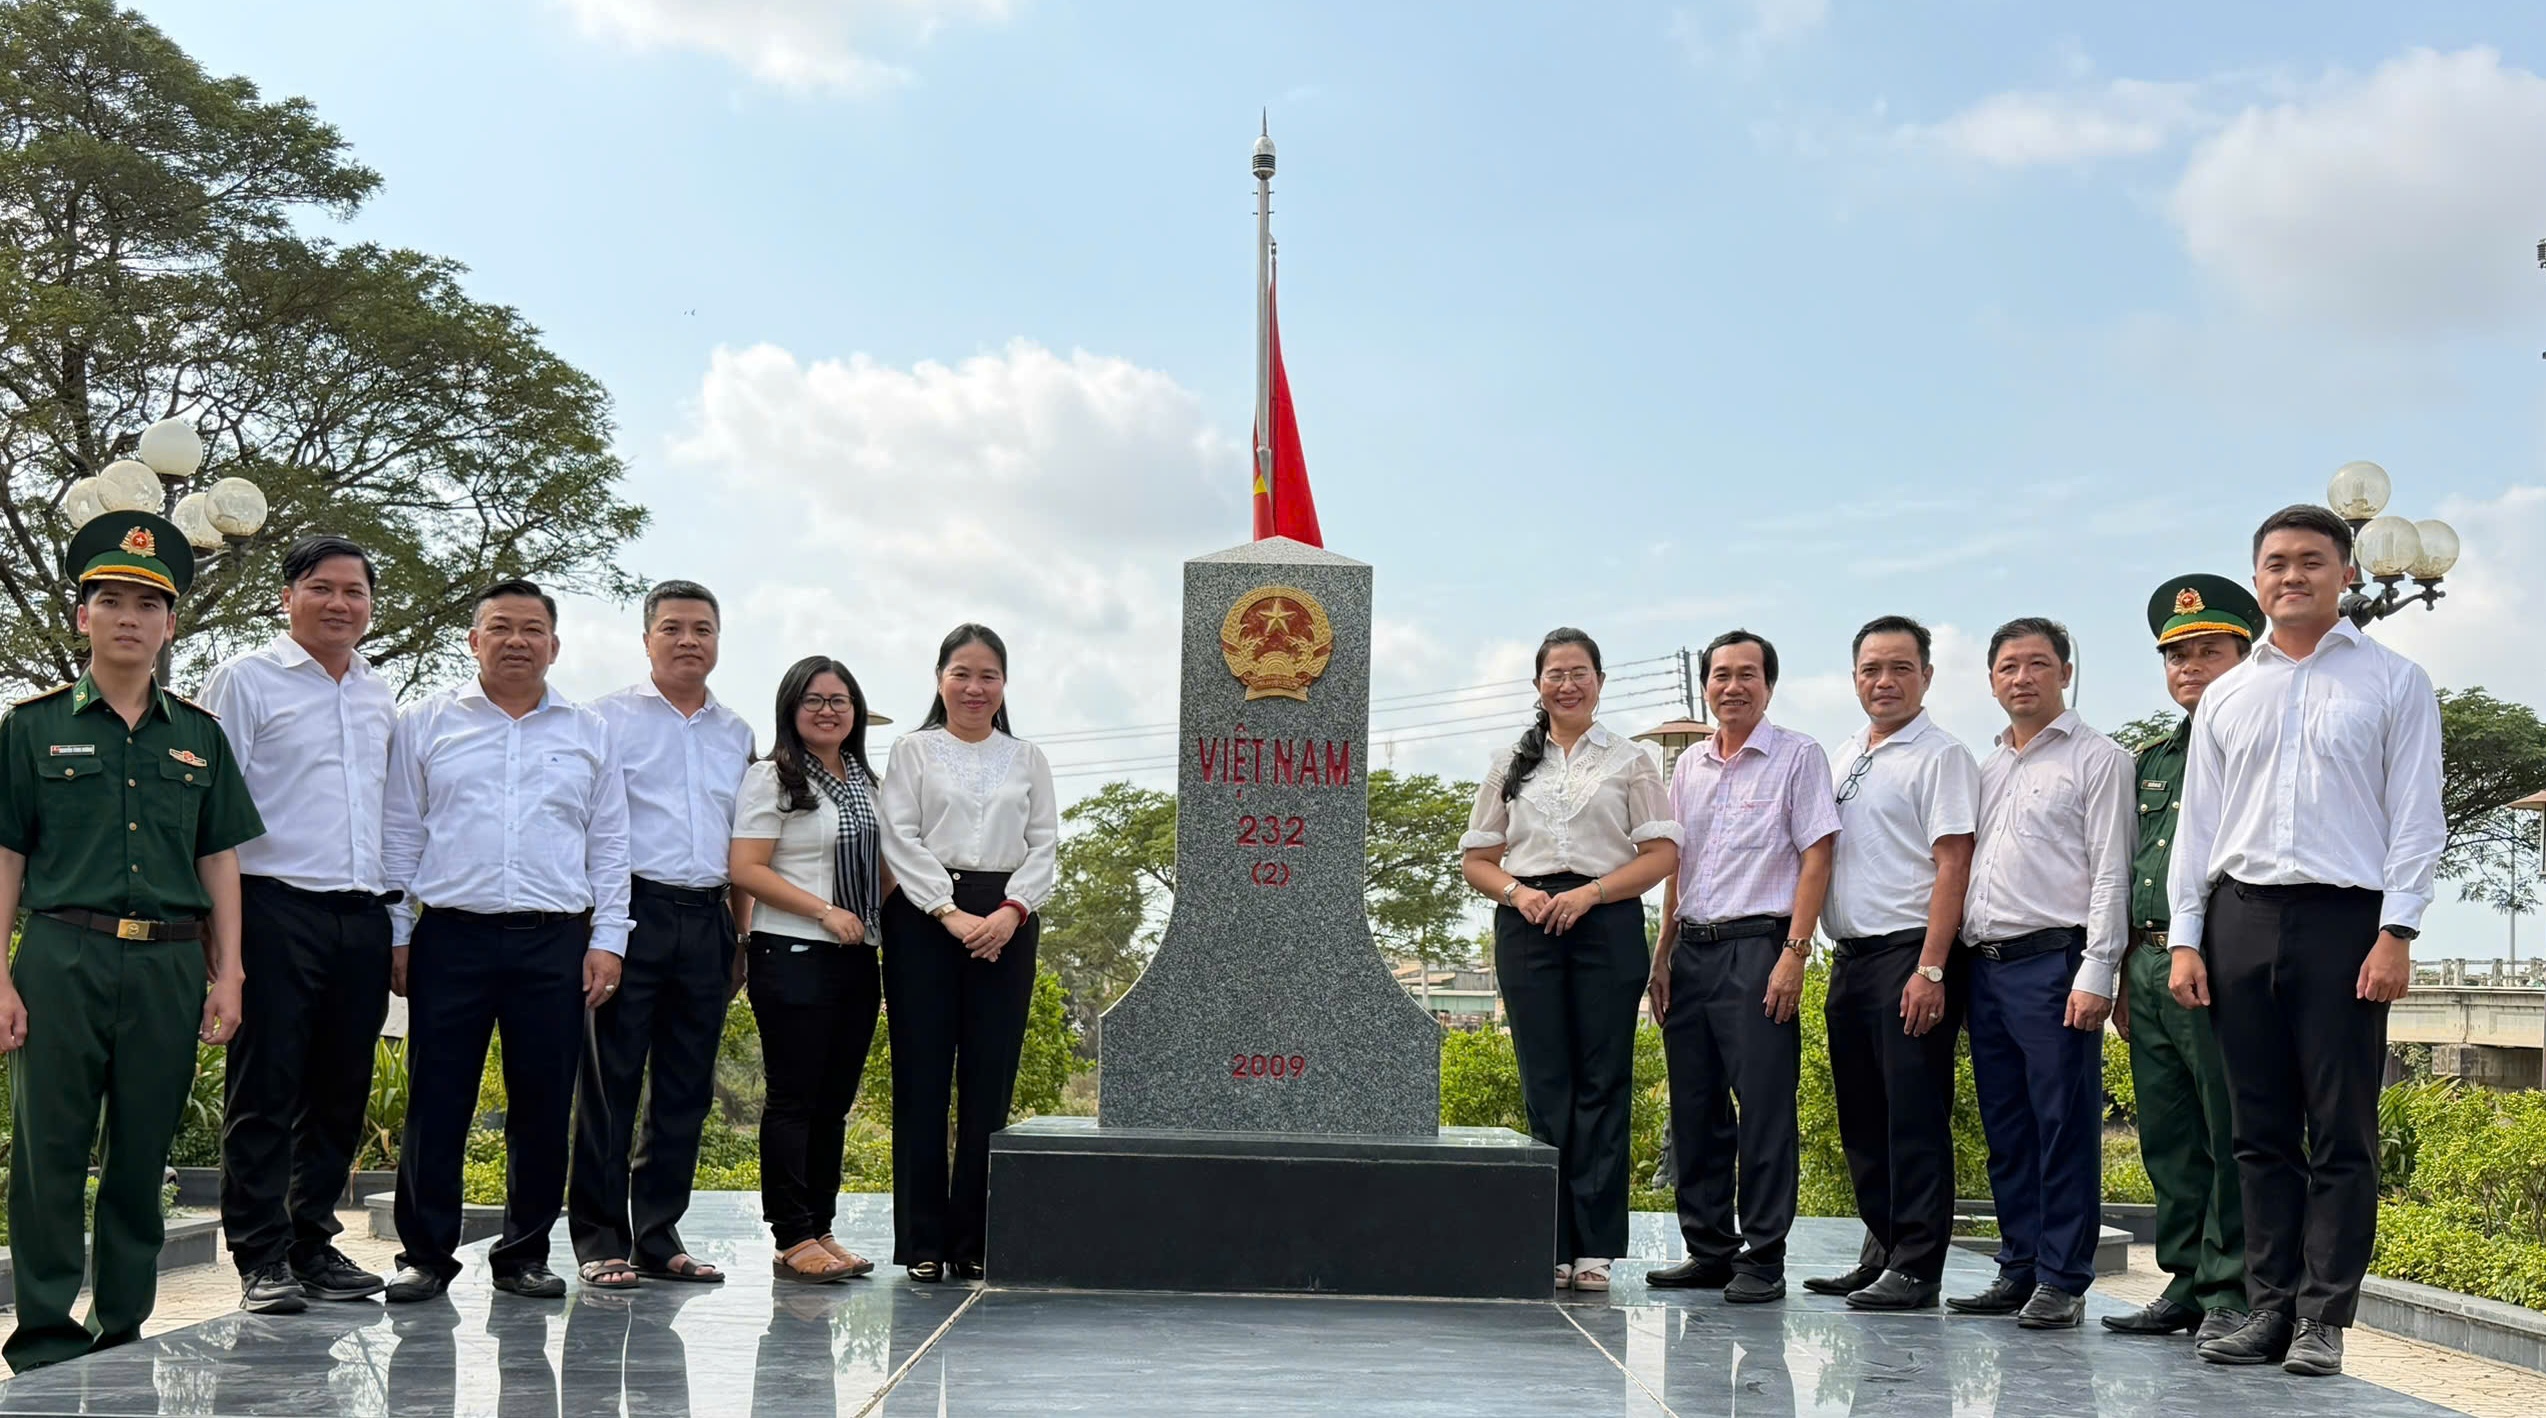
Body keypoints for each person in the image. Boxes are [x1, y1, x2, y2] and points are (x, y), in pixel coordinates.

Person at [2171, 506, 2444, 1377]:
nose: (2293, 576)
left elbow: (2415, 816)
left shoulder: (2395, 681)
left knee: (2339, 1130)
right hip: (2239, 920)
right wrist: (2186, 938)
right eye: (2276, 564)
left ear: (2348, 574)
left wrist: (2397, 929)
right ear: (2257, 581)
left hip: (2346, 922)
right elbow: (2198, 827)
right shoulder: (2227, 692)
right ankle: (2268, 1308)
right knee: (2256, 1132)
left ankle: (2324, 1318)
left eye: (2312, 562)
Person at [0, 510, 263, 1373]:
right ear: (83, 617)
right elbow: (6, 856)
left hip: (168, 962)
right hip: (60, 956)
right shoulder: (28, 728)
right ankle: (43, 1333)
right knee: (49, 1149)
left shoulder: (198, 735)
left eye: (148, 606)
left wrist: (228, 974)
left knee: (142, 1148)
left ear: (170, 624)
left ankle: (120, 1328)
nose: (128, 618)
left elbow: (218, 858)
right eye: (109, 600)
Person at [380, 579, 632, 1303]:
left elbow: (610, 844)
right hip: (450, 936)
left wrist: (608, 939)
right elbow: (400, 834)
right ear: (473, 640)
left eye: (532, 629)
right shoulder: (425, 724)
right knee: (437, 1101)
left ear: (555, 645)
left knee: (544, 1103)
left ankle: (523, 1253)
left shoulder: (588, 732)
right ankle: (424, 1255)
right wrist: (399, 932)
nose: (516, 640)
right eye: (500, 627)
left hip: (554, 941)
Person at [199, 535, 398, 1314]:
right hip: (273, 904)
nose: (340, 603)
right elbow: (211, 815)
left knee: (341, 1088)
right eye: (322, 587)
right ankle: (260, 1256)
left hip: (362, 914)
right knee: (267, 1085)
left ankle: (312, 1240)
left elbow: (394, 815)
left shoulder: (379, 694)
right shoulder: (247, 681)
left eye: (355, 590)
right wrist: (225, 946)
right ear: (289, 597)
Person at [1459, 628, 1681, 1293]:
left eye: (1580, 672)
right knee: (1546, 1082)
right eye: (1555, 673)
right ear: (1538, 686)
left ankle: (1596, 1247)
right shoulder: (1509, 762)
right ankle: (1549, 1239)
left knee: (1602, 1081)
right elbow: (1477, 859)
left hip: (1605, 919)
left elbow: (1663, 855)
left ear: (1600, 682)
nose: (1568, 683)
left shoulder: (1631, 760)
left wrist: (1589, 895)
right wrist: (1520, 894)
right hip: (1527, 926)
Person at [569, 580, 756, 1290]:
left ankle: (658, 1234)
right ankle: (599, 1238)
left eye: (702, 629)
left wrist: (738, 937)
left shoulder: (735, 733)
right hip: (629, 915)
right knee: (610, 1085)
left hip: (706, 919)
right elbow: (594, 829)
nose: (688, 641)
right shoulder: (605, 720)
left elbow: (743, 841)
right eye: (673, 627)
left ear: (717, 640)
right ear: (647, 638)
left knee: (686, 1089)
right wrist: (602, 931)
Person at [1645, 630, 1838, 1304]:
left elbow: (1817, 855)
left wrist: (1794, 951)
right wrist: (1662, 954)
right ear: (1706, 685)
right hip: (1690, 951)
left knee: (1762, 1110)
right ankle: (1709, 1249)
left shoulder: (1798, 755)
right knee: (1695, 1108)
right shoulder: (1688, 767)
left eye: (1747, 674)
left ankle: (1763, 1256)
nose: (1733, 686)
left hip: (1761, 948)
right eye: (1721, 674)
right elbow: (1677, 865)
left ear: (1769, 684)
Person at [1950, 617, 2131, 1331]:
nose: (2021, 678)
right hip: (1986, 967)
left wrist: (2098, 970)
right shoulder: (1987, 767)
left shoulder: (2098, 758)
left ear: (2065, 671)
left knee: (2063, 1126)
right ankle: (2018, 1264)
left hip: (2056, 963)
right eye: (2007, 667)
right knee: (2008, 1127)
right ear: (1991, 680)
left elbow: (2111, 869)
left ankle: (2063, 1275)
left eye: (2036, 664)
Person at [1804, 615, 1980, 1311]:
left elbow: (1953, 863)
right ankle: (1880, 1248)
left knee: (1912, 1115)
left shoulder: (1941, 755)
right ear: (1854, 678)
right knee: (1864, 1116)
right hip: (1851, 958)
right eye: (1872, 669)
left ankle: (1917, 1265)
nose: (1885, 681)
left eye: (1901, 668)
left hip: (1912, 953)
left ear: (1927, 677)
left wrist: (1932, 967)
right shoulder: (1848, 753)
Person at [2102, 574, 2260, 1344]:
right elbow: (2131, 867)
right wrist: (2127, 972)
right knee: (2167, 1135)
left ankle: (2232, 1290)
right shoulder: (2153, 759)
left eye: (2208, 652)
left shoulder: (2253, 747)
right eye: (2176, 656)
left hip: (2221, 960)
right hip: (2149, 962)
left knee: (2227, 1129)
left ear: (2247, 655)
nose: (2189, 668)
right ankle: (2186, 1284)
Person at [878, 624, 1058, 1282]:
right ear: (939, 679)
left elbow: (1044, 845)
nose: (974, 687)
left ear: (1004, 685)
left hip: (1008, 920)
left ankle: (974, 1239)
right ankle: (923, 1242)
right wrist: (948, 913)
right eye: (961, 673)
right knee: (922, 1080)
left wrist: (1011, 912)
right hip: (926, 920)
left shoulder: (1027, 758)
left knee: (989, 1083)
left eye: (988, 675)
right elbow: (899, 838)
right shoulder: (913, 752)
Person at [729, 655, 888, 1285]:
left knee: (833, 1103)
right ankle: (791, 1234)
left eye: (840, 700)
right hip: (792, 951)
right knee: (794, 1099)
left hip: (857, 957)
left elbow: (887, 866)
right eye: (814, 700)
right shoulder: (772, 777)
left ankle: (821, 1226)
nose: (828, 710)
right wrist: (825, 911)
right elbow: (747, 867)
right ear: (791, 709)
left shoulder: (862, 780)